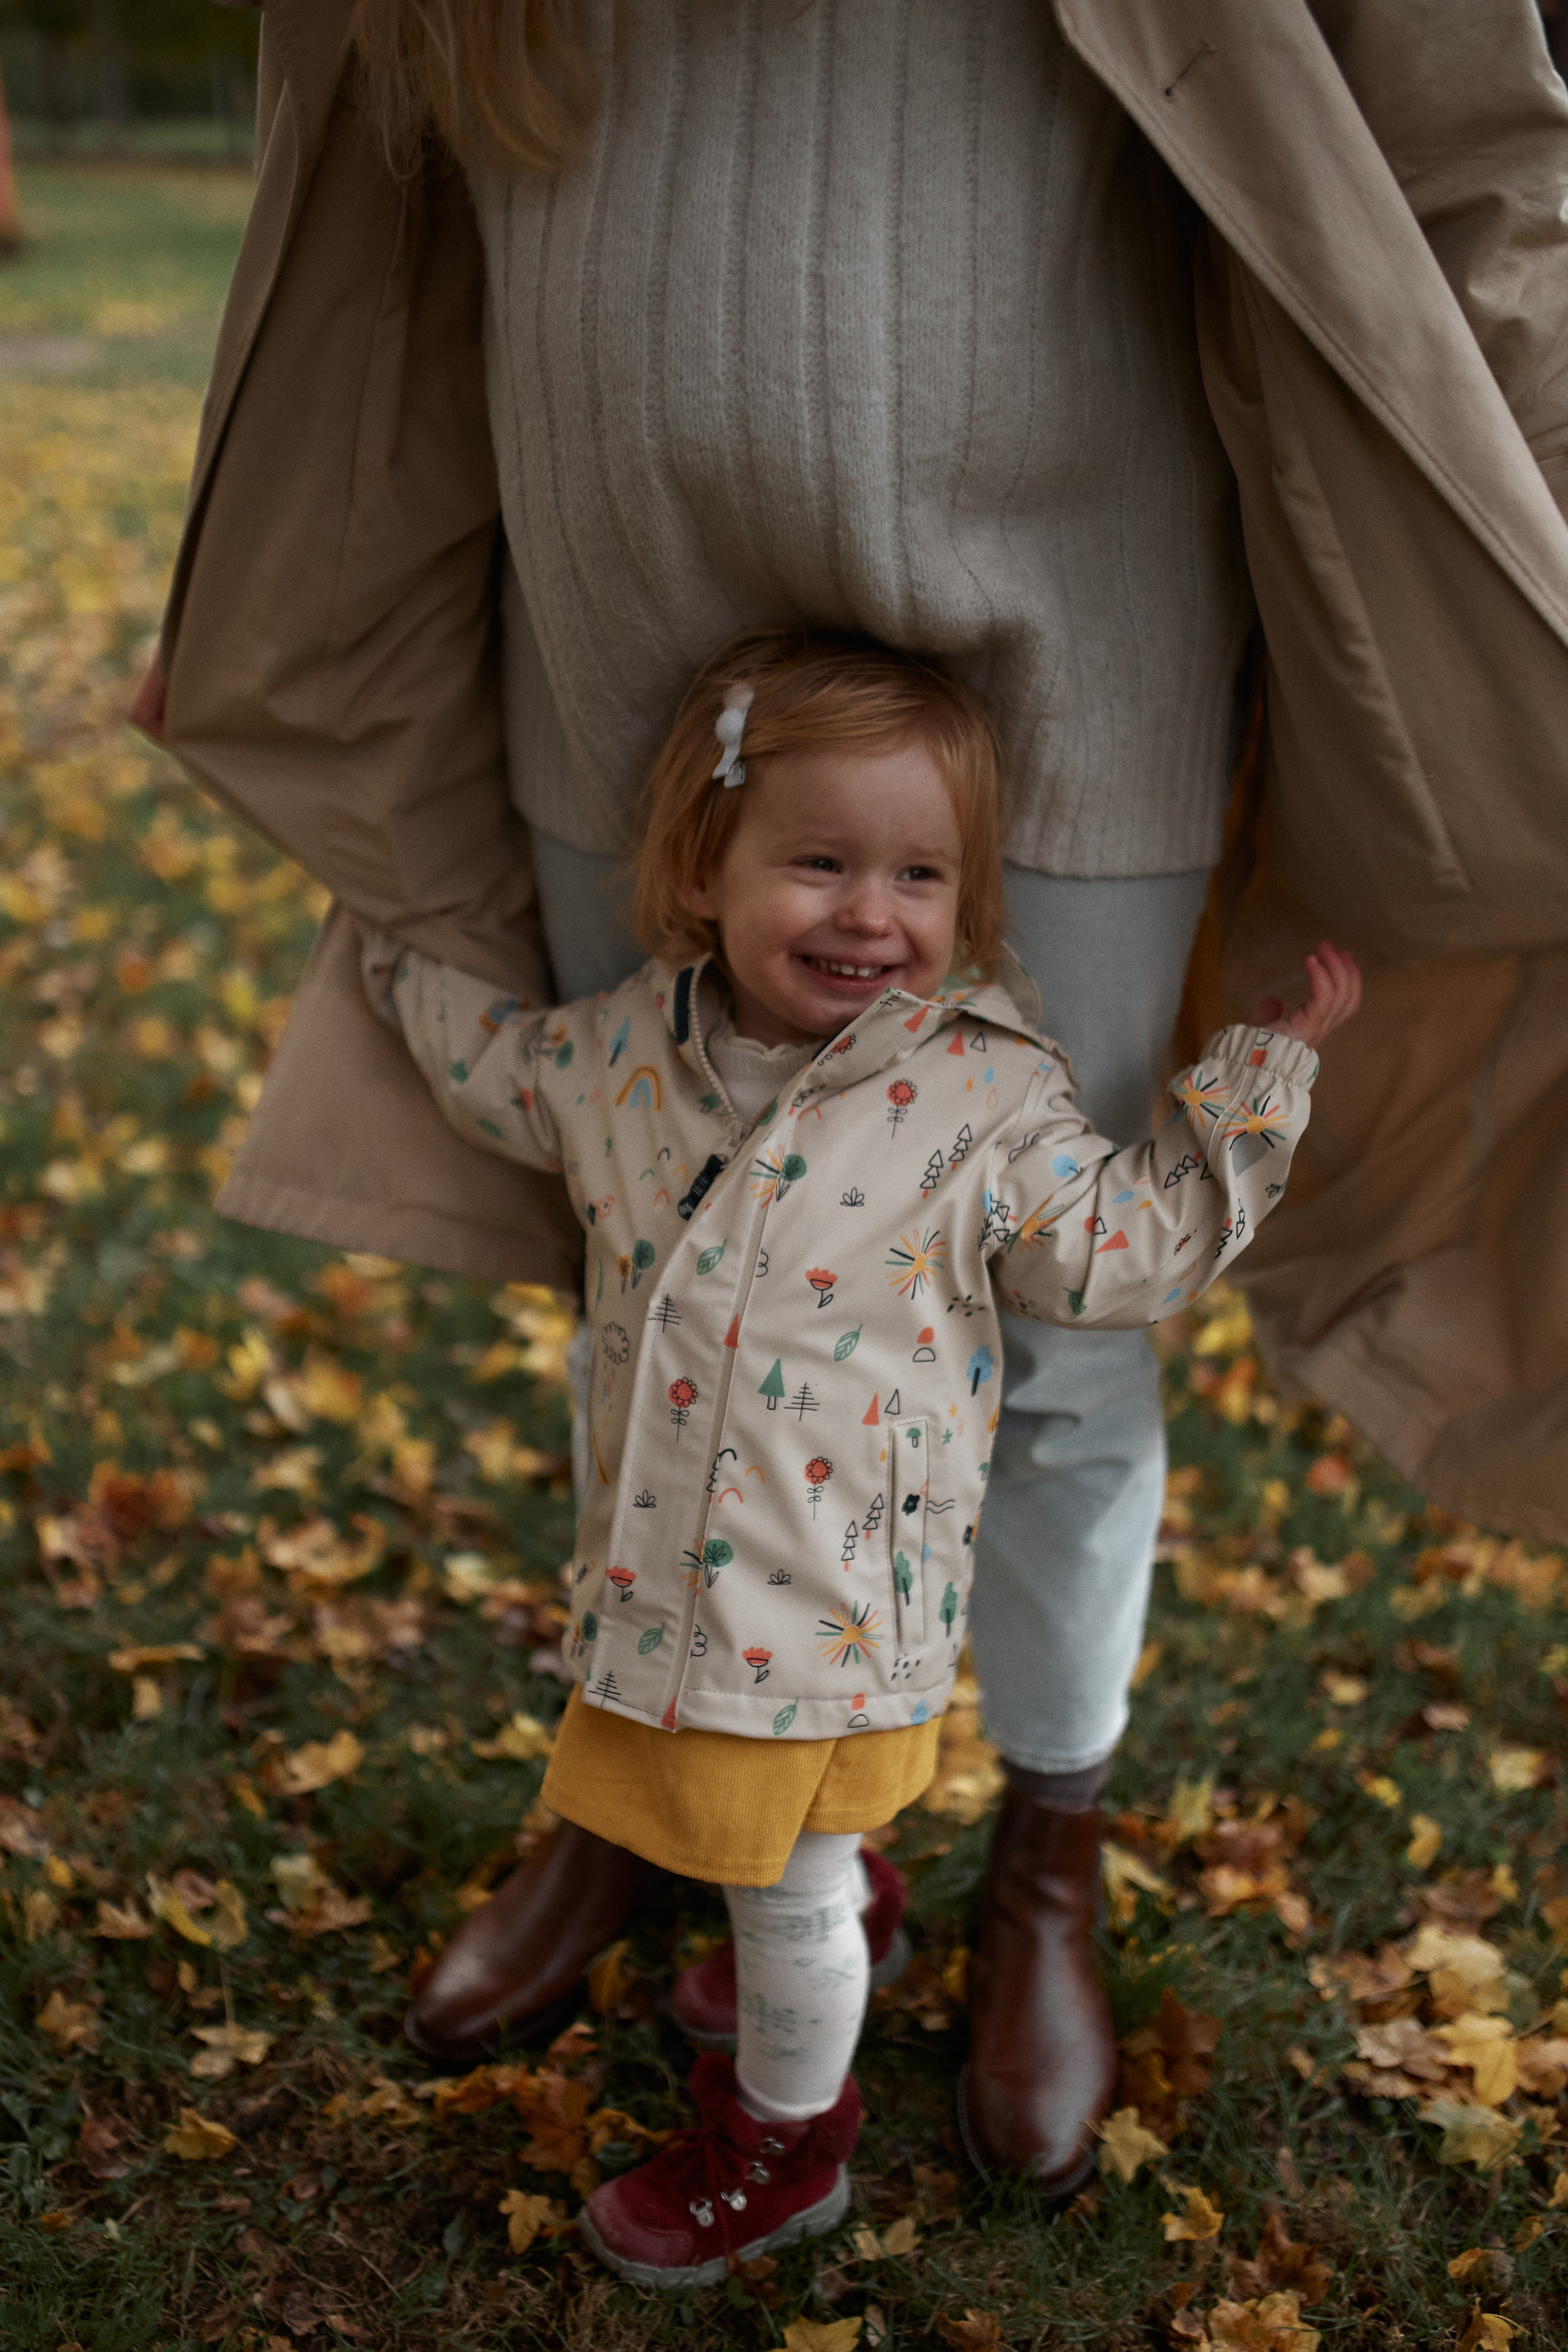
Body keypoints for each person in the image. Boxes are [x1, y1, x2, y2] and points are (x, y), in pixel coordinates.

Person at [137, 0, 1568, 2196]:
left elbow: (1470, 135)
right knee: (665, 1268)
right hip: (612, 625)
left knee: (1059, 1350)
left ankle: (1044, 1847)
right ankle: (661, 1792)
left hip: (1078, 632)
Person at [358, 630, 1356, 2271]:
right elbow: (497, 1074)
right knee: (776, 1839)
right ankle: (858, 1929)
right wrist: (386, 956)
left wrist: (1251, 1090)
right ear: (702, 866)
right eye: (818, 862)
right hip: (670, 1572)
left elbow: (1121, 1259)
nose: (869, 913)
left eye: (918, 874)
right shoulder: (626, 1056)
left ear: (970, 902)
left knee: (787, 1887)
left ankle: (783, 2149)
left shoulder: (982, 1103)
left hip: (838, 1601)